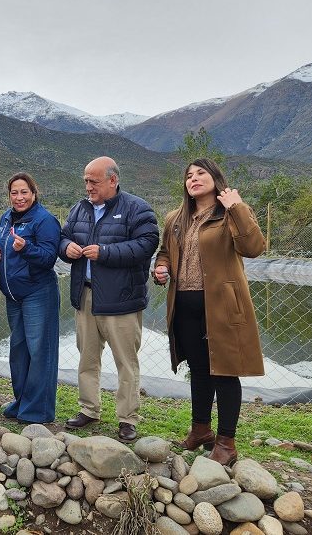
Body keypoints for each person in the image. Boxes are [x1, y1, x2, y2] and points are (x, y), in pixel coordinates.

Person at [154, 157, 265, 465]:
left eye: (201, 173)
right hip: (185, 307)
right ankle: (201, 430)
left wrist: (237, 207)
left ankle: (227, 443)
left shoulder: (230, 213)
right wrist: (161, 268)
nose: (194, 179)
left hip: (221, 306)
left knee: (225, 371)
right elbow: (165, 253)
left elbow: (254, 247)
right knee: (199, 370)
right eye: (189, 175)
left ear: (216, 178)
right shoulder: (176, 218)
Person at [60, 157, 159, 442]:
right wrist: (68, 248)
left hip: (121, 299)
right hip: (86, 294)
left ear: (113, 180)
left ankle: (127, 418)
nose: (88, 187)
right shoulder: (79, 209)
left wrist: (104, 252)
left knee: (126, 362)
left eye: (94, 181)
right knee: (87, 358)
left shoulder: (137, 208)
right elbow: (62, 238)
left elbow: (146, 244)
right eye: (86, 181)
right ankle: (89, 410)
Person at [0, 172, 60, 424]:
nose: (19, 197)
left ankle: (38, 410)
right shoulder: (6, 217)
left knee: (39, 351)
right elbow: (4, 248)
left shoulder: (44, 220)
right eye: (14, 193)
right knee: (18, 351)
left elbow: (49, 257)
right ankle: (21, 402)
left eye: (24, 192)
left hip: (37, 293)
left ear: (34, 193)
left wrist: (26, 248)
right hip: (13, 295)